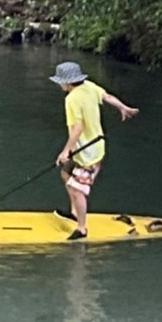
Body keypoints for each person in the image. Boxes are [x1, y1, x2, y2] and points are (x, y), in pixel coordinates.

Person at [50, 61, 139, 240]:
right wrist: (123, 107)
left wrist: (65, 152)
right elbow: (107, 97)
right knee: (66, 173)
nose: (59, 84)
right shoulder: (89, 86)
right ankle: (75, 211)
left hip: (87, 152)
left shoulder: (71, 99)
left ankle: (82, 229)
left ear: (66, 82)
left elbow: (77, 129)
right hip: (95, 146)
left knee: (77, 190)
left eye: (60, 81)